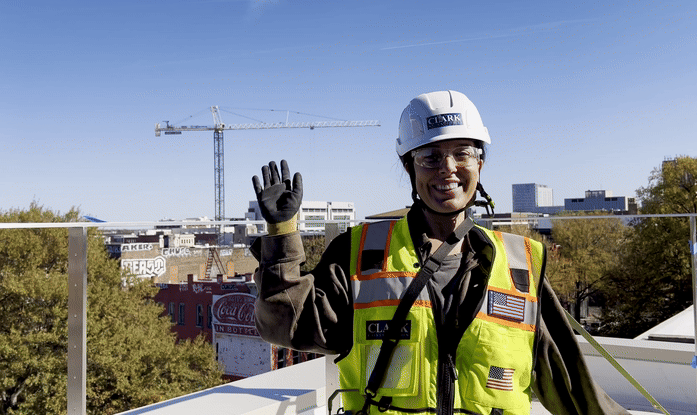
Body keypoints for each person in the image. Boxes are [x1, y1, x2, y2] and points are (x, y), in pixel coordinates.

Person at [250, 90, 629, 415]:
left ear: (479, 163)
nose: (448, 169)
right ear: (410, 167)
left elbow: (574, 389)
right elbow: (286, 324)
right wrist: (282, 236)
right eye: (430, 157)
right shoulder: (361, 253)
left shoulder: (520, 265)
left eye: (462, 154)